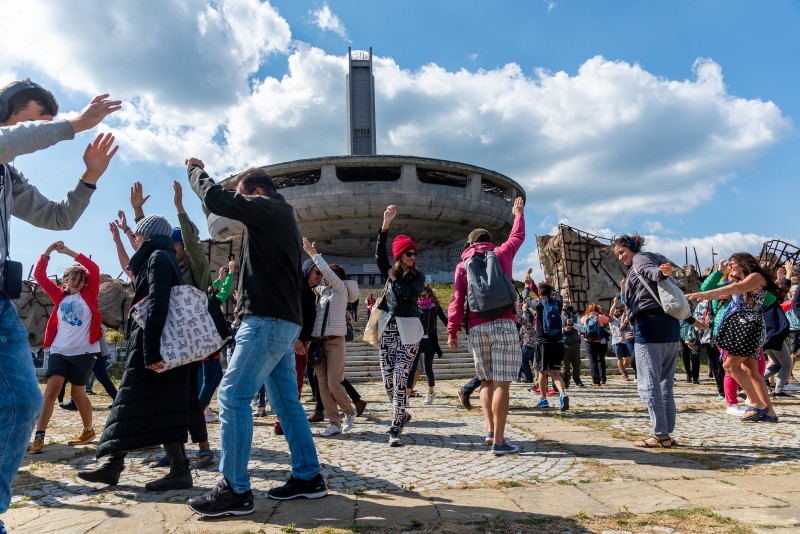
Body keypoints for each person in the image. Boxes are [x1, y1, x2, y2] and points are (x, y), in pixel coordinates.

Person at [0, 80, 119, 532]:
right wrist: (76, 124)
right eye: (32, 121)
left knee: (22, 402)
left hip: (6, 307)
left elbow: (58, 217)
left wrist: (89, 178)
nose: (34, 133)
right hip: (49, 342)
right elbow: (9, 140)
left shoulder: (8, 177)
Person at [185, 160, 326, 517]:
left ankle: (234, 489)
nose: (242, 204)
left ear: (258, 193)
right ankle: (308, 476)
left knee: (232, 395)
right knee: (287, 404)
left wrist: (195, 170)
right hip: (280, 321)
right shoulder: (280, 220)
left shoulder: (270, 209)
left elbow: (216, 199)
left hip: (266, 320)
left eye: (244, 197)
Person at [77, 215, 193, 492]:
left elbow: (158, 303)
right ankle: (120, 466)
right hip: (155, 343)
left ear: (148, 236)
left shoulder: (158, 258)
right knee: (152, 405)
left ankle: (126, 466)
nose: (136, 240)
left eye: (138, 235)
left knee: (129, 403)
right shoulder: (160, 256)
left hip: (152, 344)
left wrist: (150, 350)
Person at [448, 197, 525, 455]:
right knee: (502, 383)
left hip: (477, 327)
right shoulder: (501, 254)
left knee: (486, 382)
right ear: (489, 241)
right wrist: (518, 213)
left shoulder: (463, 265)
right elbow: (518, 236)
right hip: (504, 323)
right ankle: (499, 443)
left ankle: (490, 431)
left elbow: (457, 300)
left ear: (470, 244)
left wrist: (452, 331)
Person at [614, 234, 700, 448]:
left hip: (649, 328)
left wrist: (660, 273)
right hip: (669, 328)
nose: (621, 257)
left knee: (649, 383)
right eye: (618, 255)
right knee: (664, 384)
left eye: (622, 252)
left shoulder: (640, 259)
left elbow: (651, 272)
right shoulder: (651, 258)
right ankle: (666, 433)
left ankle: (660, 434)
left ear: (632, 247)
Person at [686, 253, 779, 423]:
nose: (730, 266)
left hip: (747, 329)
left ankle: (757, 404)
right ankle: (770, 412)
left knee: (729, 365)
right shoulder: (742, 282)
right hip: (744, 329)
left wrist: (706, 294)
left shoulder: (755, 277)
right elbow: (723, 293)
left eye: (732, 263)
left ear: (743, 263)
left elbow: (735, 289)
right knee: (752, 372)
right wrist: (702, 295)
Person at [27, 242, 102, 453]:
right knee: (51, 391)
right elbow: (40, 276)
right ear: (66, 279)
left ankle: (88, 430)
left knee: (77, 394)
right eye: (73, 279)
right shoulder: (59, 295)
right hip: (59, 350)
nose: (76, 284)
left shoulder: (90, 293)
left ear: (86, 282)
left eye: (81, 280)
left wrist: (68, 251)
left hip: (84, 352)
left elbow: (94, 268)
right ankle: (39, 436)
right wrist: (48, 252)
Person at [374, 205, 425, 447]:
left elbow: (409, 295)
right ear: (400, 256)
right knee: (388, 380)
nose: (413, 256)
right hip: (388, 327)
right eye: (408, 253)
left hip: (410, 329)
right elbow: (379, 256)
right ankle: (402, 413)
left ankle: (395, 426)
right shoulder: (390, 271)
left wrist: (395, 279)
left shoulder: (418, 277)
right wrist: (385, 224)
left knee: (400, 377)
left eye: (414, 253)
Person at [302, 237, 359, 437]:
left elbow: (327, 273)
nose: (324, 277)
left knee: (334, 382)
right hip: (319, 343)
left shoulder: (341, 289)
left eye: (327, 274)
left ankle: (349, 411)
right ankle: (334, 423)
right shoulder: (321, 293)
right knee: (323, 386)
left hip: (335, 342)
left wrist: (313, 254)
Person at [533, 282, 569, 411]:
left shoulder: (538, 305)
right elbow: (558, 295)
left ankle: (543, 399)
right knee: (555, 372)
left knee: (542, 372)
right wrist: (551, 286)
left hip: (543, 343)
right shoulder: (558, 303)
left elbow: (526, 297)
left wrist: (527, 286)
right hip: (558, 342)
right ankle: (562, 394)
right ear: (550, 292)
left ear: (539, 293)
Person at [416, 284, 449, 404]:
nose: (421, 298)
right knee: (412, 367)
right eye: (419, 296)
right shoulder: (415, 305)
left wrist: (453, 330)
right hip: (417, 340)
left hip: (430, 339)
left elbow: (444, 318)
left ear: (429, 293)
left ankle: (430, 393)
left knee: (428, 368)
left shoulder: (434, 306)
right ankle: (407, 395)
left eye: (424, 295)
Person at [581, 303, 610, 386]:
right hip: (600, 341)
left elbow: (582, 328)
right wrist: (602, 311)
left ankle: (596, 381)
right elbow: (610, 319)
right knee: (601, 359)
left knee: (593, 361)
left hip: (589, 341)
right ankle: (603, 378)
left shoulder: (584, 318)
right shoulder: (600, 317)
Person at [608, 299, 633, 381]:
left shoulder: (622, 319)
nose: (618, 312)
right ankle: (624, 374)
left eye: (619, 311)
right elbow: (611, 313)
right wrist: (615, 302)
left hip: (625, 341)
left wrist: (626, 303)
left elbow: (626, 312)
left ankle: (622, 369)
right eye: (616, 311)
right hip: (617, 341)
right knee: (620, 358)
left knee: (629, 358)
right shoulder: (612, 320)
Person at [561, 303, 584, 388]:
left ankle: (577, 381)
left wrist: (573, 324)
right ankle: (566, 381)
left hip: (575, 343)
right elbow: (556, 329)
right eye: (565, 306)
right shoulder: (559, 317)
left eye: (568, 306)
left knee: (576, 363)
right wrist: (564, 329)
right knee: (565, 364)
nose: (566, 307)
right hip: (564, 343)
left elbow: (581, 328)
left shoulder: (575, 317)